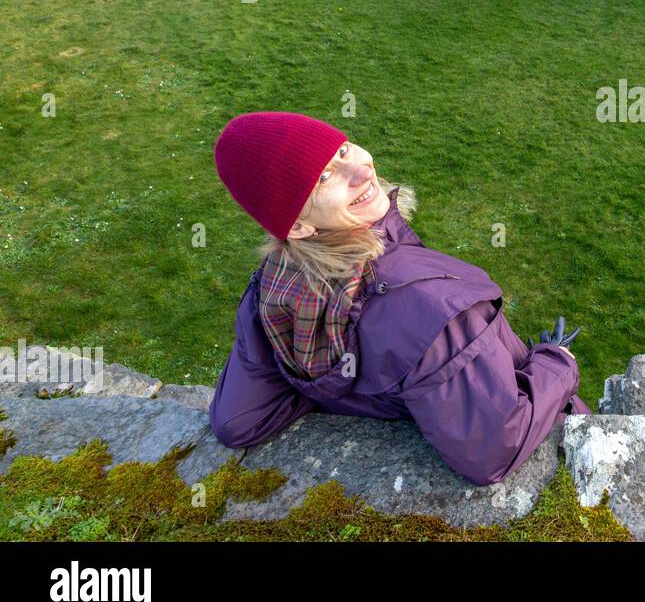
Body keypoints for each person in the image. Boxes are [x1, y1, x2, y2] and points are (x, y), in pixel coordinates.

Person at [207, 110, 590, 487]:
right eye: (323, 177)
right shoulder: (430, 306)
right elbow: (495, 449)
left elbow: (239, 418)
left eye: (341, 150)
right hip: (561, 441)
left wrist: (375, 394)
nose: (360, 170)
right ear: (297, 226)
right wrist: (557, 362)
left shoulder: (275, 290)